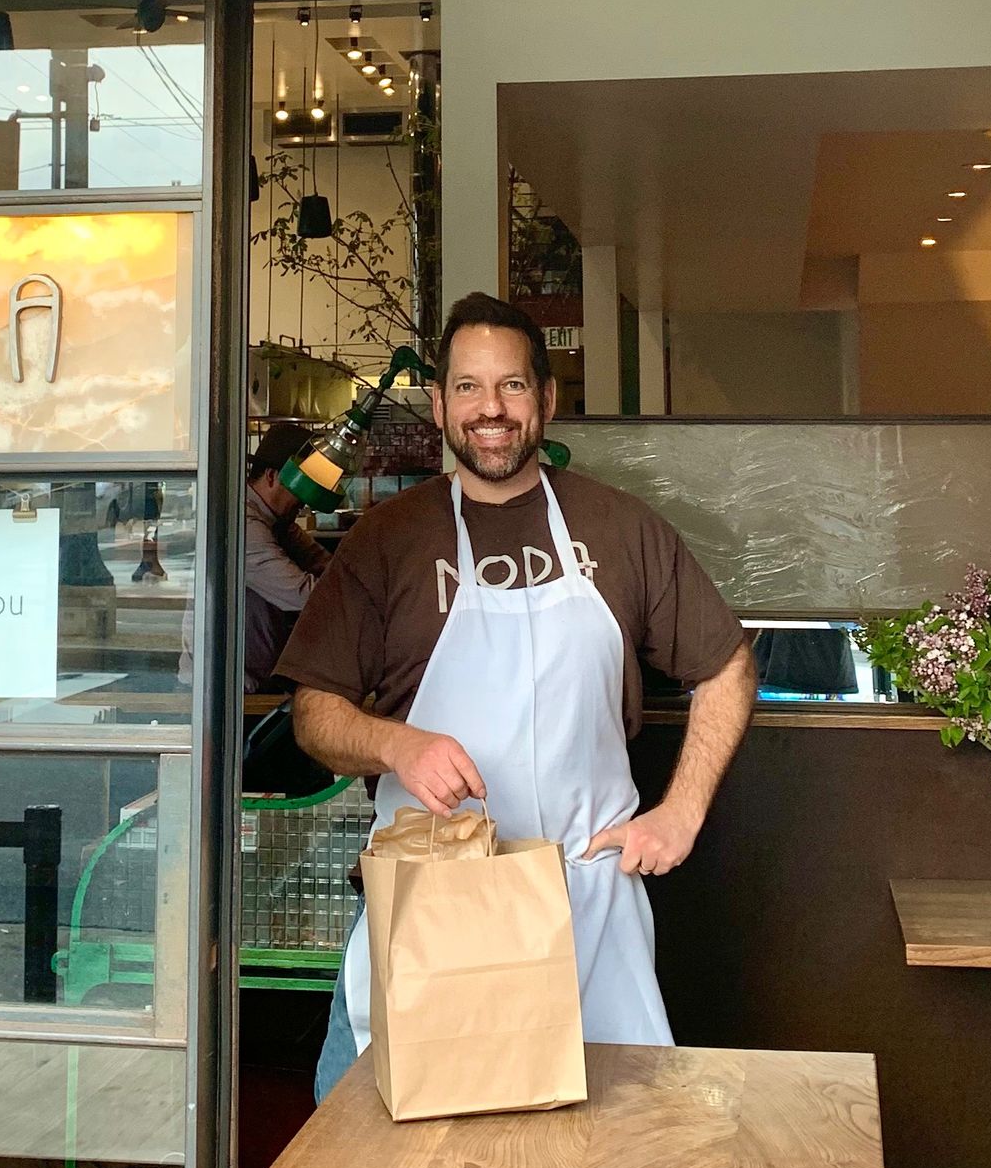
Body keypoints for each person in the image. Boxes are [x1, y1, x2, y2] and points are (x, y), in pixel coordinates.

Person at [281, 292, 759, 1103]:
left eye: (511, 385)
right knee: (381, 1156)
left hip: (588, 908)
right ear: (439, 405)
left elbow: (728, 668)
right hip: (435, 905)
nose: (490, 408)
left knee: (608, 1153)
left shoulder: (621, 528)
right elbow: (313, 712)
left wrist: (680, 813)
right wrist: (397, 743)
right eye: (467, 386)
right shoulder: (387, 541)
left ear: (546, 398)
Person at [243, 420, 329, 688]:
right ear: (272, 476)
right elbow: (303, 594)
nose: (305, 499)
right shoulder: (244, 524)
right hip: (231, 684)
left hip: (260, 673)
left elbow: (328, 565)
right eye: (300, 485)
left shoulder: (279, 523)